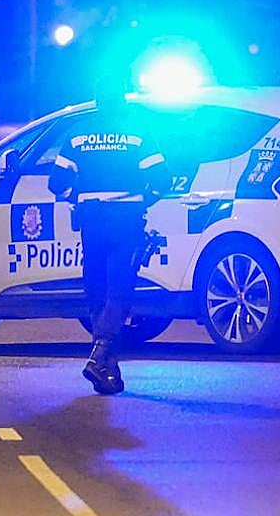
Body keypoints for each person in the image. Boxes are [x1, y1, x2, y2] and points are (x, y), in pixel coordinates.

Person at [49, 74, 170, 395]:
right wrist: (143, 199)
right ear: (124, 100)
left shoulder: (77, 135)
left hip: (91, 221)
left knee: (97, 288)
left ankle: (107, 371)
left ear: (97, 101)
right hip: (126, 219)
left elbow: (56, 184)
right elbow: (162, 180)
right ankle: (100, 352)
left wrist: (76, 197)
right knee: (120, 289)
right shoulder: (138, 134)